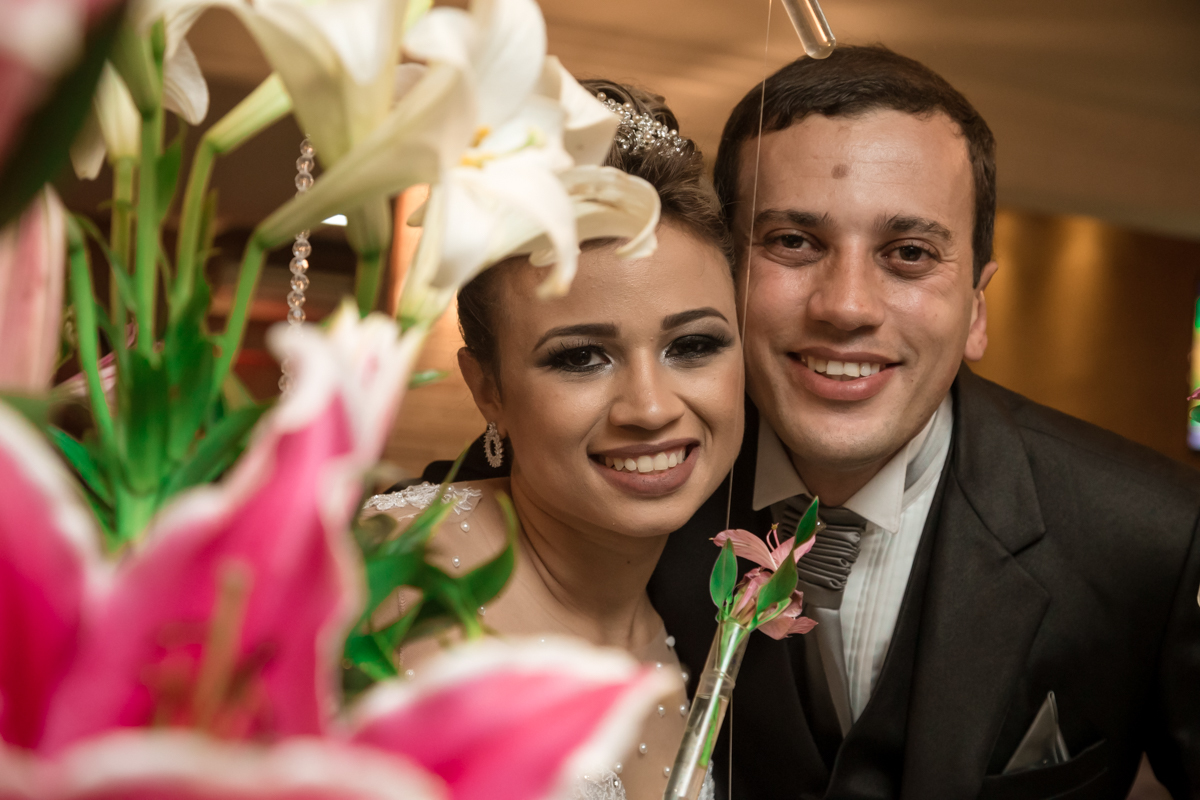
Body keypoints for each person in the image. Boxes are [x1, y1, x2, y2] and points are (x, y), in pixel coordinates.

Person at [645, 45, 1200, 798]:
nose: (846, 306)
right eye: (793, 242)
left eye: (909, 252)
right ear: (724, 274)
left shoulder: (1156, 536)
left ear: (976, 309)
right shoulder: (627, 499)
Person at [369, 81, 744, 800]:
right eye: (581, 357)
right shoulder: (388, 575)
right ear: (488, 390)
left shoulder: (696, 630)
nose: (650, 407)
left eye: (693, 346)